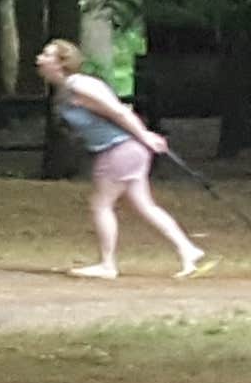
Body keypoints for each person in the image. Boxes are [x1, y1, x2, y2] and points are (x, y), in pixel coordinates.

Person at [39, 40, 207, 281]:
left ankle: (108, 265)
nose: (39, 58)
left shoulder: (80, 85)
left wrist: (145, 135)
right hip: (125, 149)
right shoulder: (67, 89)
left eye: (47, 55)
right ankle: (188, 250)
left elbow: (118, 111)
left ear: (61, 63)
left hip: (119, 149)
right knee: (144, 205)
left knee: (101, 204)